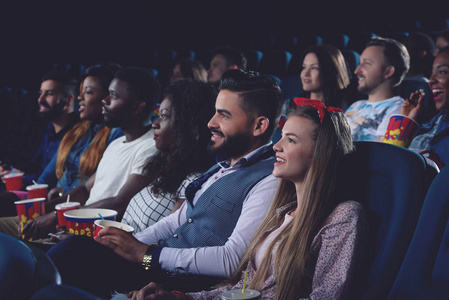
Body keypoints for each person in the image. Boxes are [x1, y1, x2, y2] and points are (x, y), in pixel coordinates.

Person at [47, 69, 283, 298]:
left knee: (70, 259)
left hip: (181, 282)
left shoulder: (268, 180)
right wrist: (125, 246)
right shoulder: (220, 168)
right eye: (214, 113)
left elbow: (232, 259)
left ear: (259, 126)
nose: (211, 123)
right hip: (155, 266)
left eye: (224, 115)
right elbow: (175, 221)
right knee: (76, 250)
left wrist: (146, 254)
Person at [121, 98, 366, 300]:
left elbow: (326, 297)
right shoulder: (280, 213)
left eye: (290, 140)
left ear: (319, 155)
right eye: (281, 136)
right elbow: (241, 288)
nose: (277, 146)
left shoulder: (343, 216)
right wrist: (179, 298)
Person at [0, 66, 161, 240]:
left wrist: (58, 216)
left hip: (89, 231)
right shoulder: (116, 144)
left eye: (113, 96)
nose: (105, 101)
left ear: (137, 107)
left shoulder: (150, 148)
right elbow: (84, 189)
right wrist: (46, 210)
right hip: (74, 221)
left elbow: (120, 202)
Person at [0, 63, 124, 218]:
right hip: (49, 202)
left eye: (88, 92)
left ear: (108, 97)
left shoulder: (116, 134)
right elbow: (45, 178)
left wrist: (59, 195)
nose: (80, 98)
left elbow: (98, 187)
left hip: (71, 209)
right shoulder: (76, 132)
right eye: (81, 92)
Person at [122, 78, 217, 232]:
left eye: (164, 116)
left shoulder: (193, 182)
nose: (155, 124)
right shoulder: (166, 168)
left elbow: (167, 245)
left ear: (189, 126)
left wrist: (141, 256)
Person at [0, 70, 79, 189]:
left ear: (68, 99)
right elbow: (36, 167)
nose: (40, 99)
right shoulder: (49, 130)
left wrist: (23, 177)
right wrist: (12, 171)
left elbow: (56, 179)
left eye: (50, 93)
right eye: (40, 93)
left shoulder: (80, 134)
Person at [383, 47, 449, 169]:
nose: (431, 80)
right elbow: (386, 162)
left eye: (443, 72)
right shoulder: (433, 123)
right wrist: (405, 120)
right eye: (432, 73)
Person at [345, 37, 410, 142]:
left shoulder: (398, 110)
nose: (357, 71)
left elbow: (384, 152)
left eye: (366, 64)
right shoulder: (357, 105)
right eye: (360, 63)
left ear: (388, 72)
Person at [282, 44, 352, 115]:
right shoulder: (290, 105)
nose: (305, 74)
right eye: (304, 67)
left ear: (330, 72)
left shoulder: (345, 108)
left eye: (314, 68)